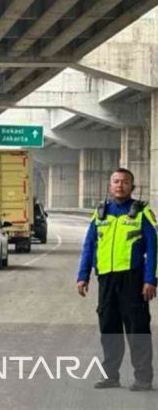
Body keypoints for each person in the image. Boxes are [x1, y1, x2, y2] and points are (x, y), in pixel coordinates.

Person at [77, 167, 157, 391]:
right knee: (109, 329)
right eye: (116, 181)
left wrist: (150, 280)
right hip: (106, 280)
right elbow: (89, 246)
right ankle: (111, 376)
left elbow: (154, 248)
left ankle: (143, 378)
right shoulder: (100, 213)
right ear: (110, 186)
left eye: (124, 182)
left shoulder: (142, 212)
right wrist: (83, 276)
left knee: (137, 329)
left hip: (133, 279)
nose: (119, 185)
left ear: (132, 186)